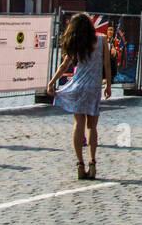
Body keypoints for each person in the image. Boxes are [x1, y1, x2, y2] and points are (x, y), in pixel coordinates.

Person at [46, 14, 113, 180]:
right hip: (93, 88)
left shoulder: (77, 43)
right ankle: (92, 162)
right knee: (92, 127)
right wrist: (108, 85)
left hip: (78, 86)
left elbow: (64, 65)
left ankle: (79, 163)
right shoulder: (101, 40)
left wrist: (51, 82)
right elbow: (107, 65)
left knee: (78, 124)